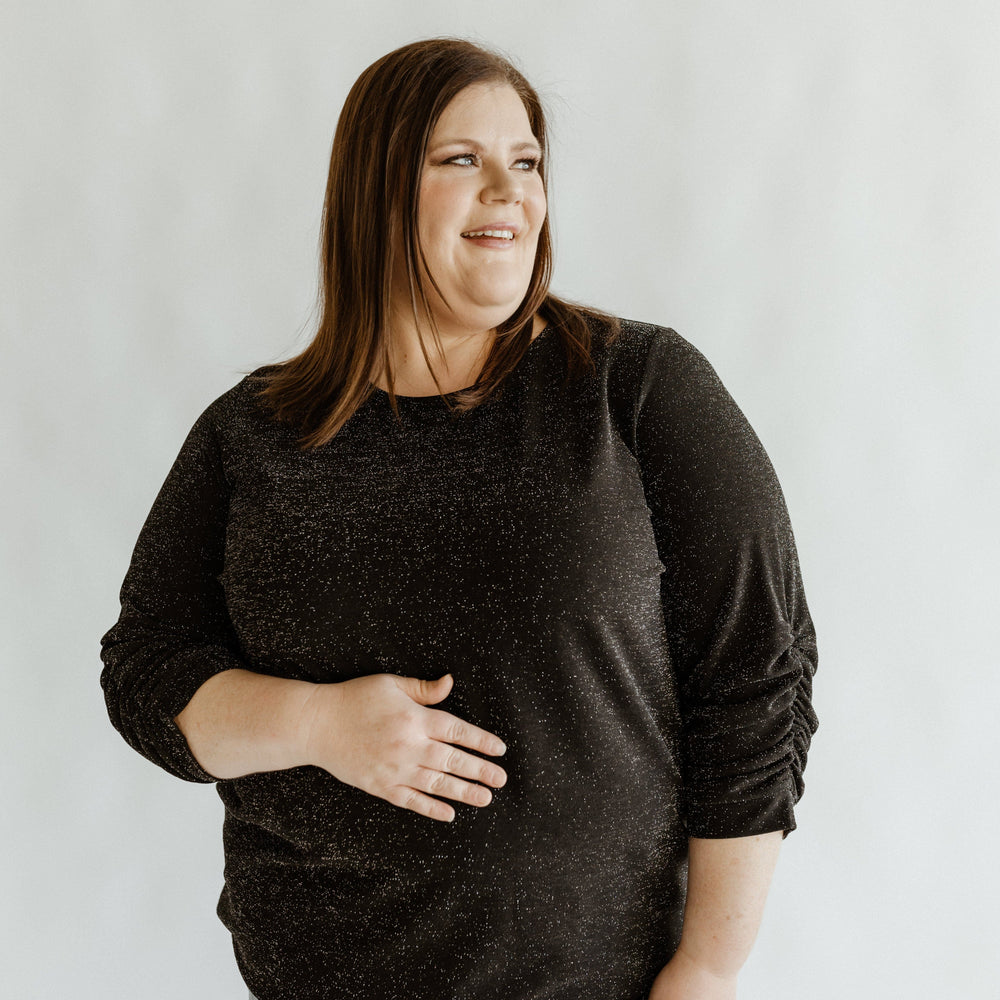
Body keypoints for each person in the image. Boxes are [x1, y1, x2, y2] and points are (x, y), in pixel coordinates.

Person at [99, 36, 819, 1000]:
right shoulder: (253, 436)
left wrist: (709, 967)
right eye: (461, 161)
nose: (511, 191)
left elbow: (756, 676)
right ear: (377, 193)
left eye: (525, 162)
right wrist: (319, 722)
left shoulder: (635, 389)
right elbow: (145, 673)